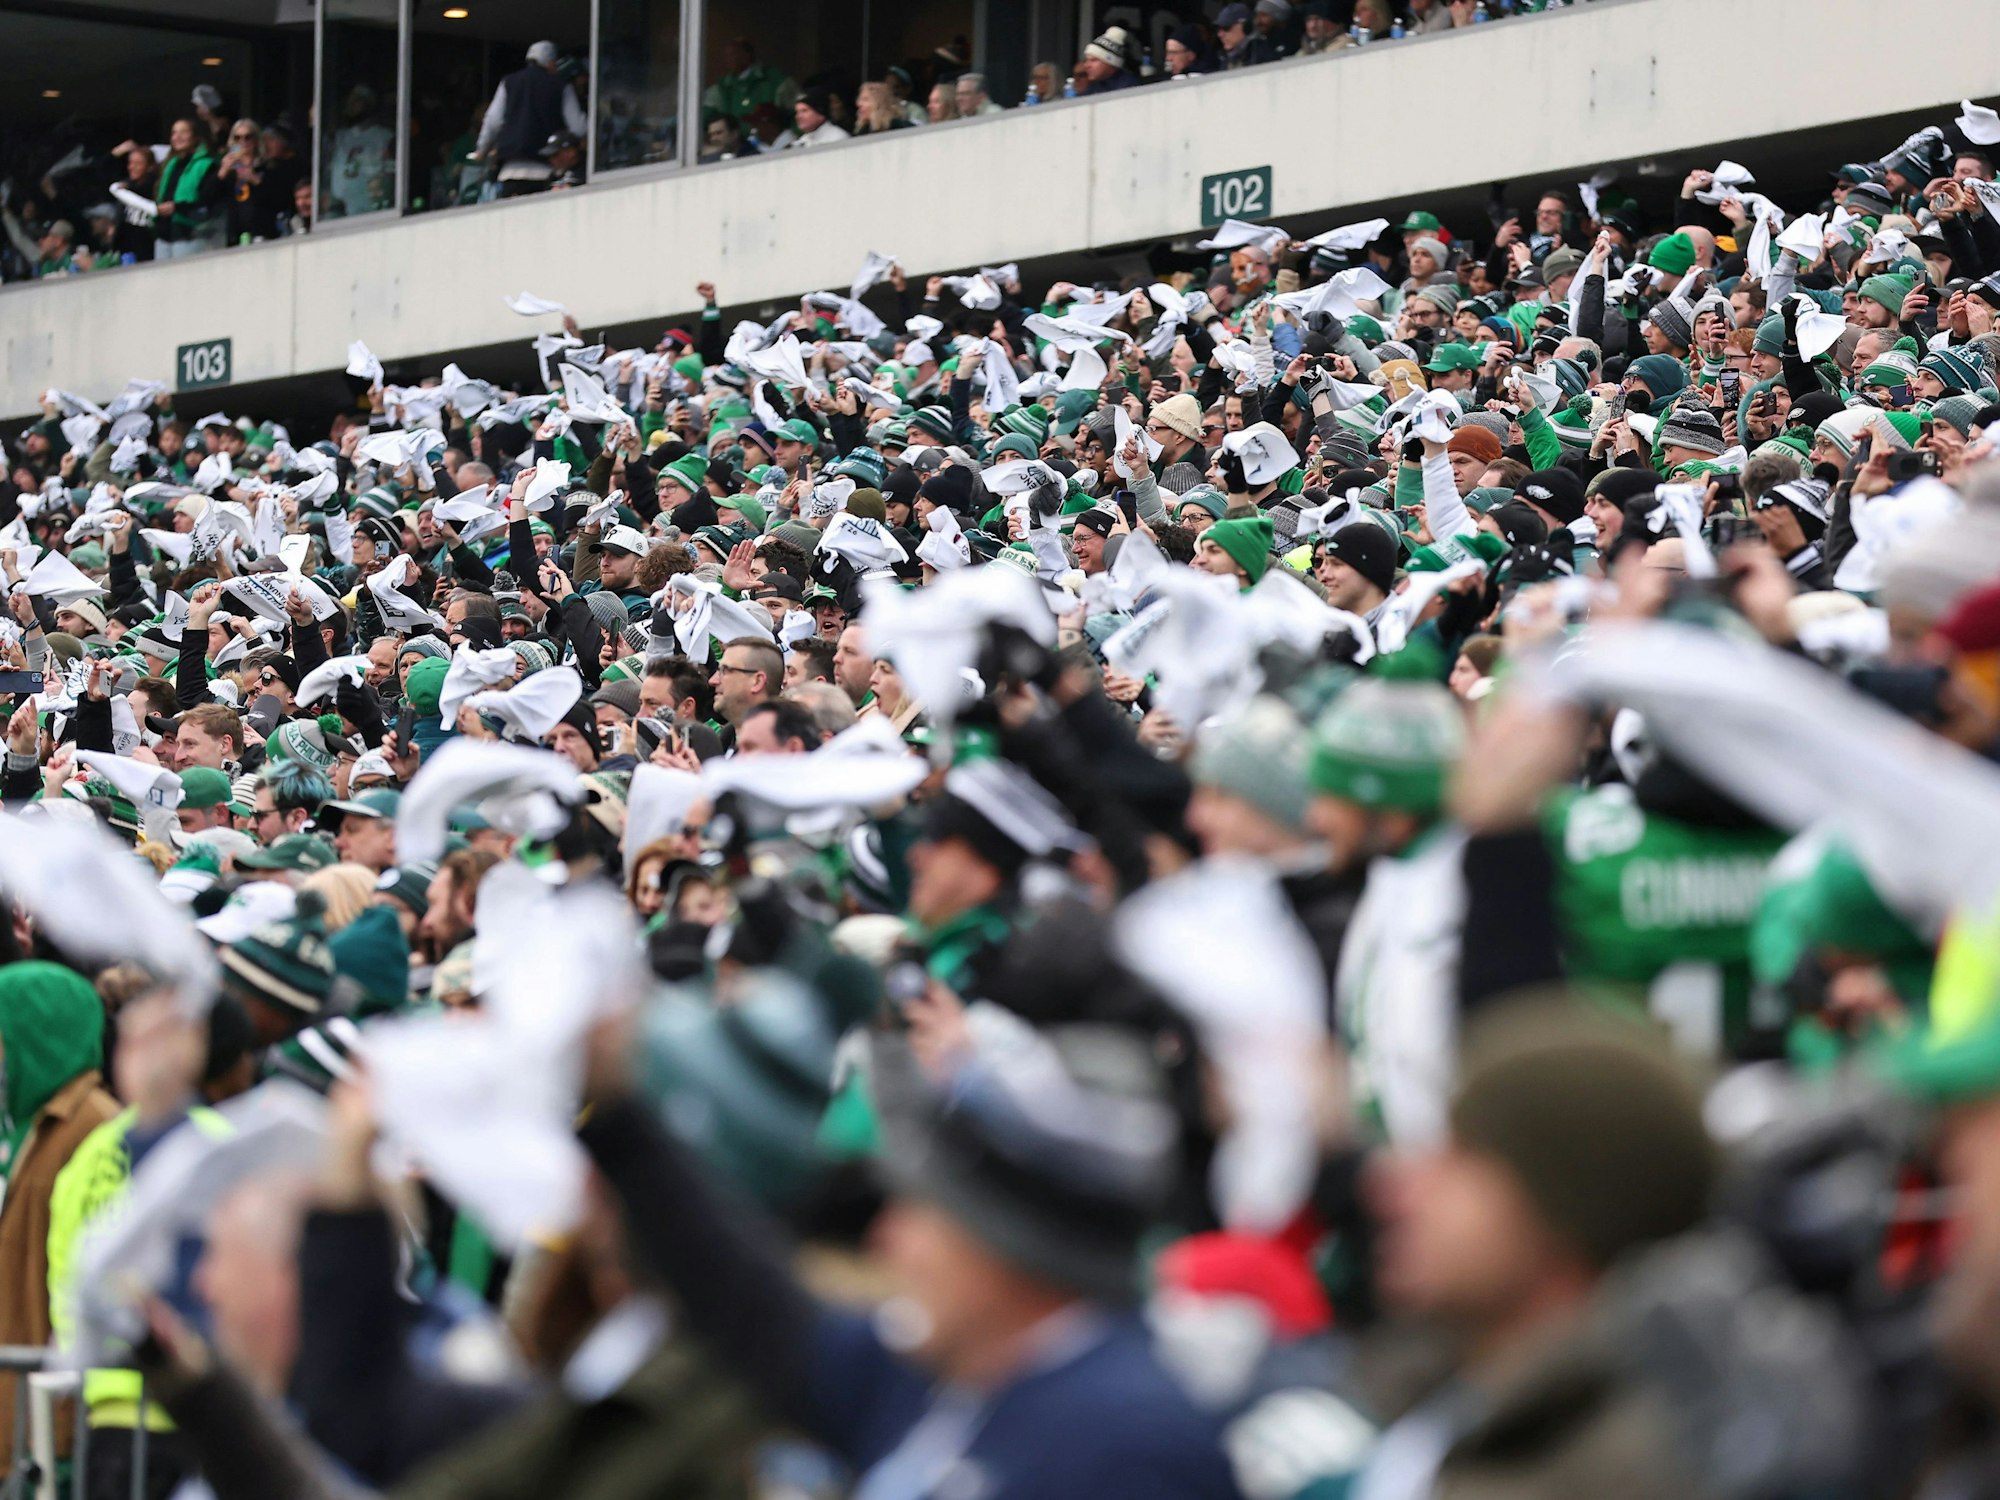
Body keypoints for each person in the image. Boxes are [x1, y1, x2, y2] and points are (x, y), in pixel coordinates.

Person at [476, 42, 589, 198]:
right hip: (545, 172)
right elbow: (578, 127)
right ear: (551, 63)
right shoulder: (561, 86)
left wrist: (482, 151)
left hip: (510, 173)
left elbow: (492, 121)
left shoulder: (508, 83)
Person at [154, 117, 223, 260]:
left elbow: (205, 201)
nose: (177, 137)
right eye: (174, 133)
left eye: (183, 132)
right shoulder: (170, 165)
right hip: (164, 235)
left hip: (189, 234)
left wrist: (177, 208)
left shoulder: (207, 164)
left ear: (195, 137)